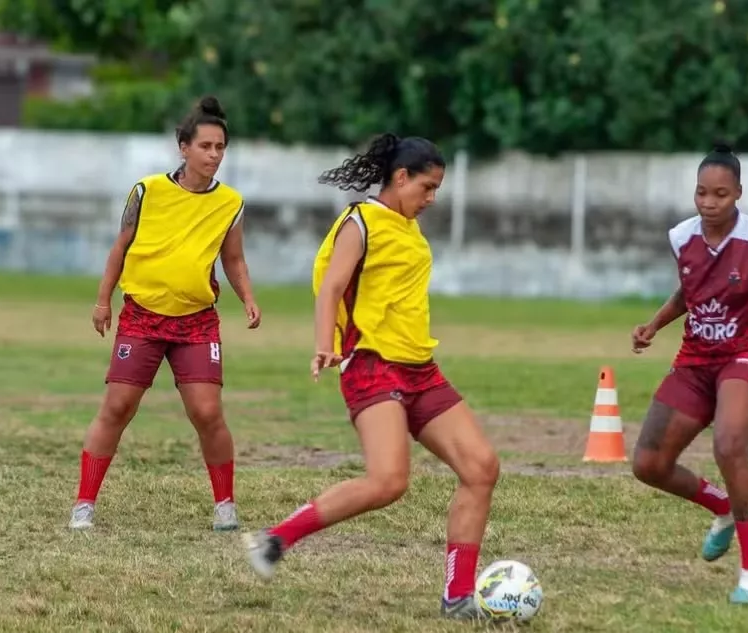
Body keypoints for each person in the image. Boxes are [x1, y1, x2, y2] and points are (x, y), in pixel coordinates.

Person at [243, 133, 500, 621]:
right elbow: (331, 287)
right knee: (388, 481)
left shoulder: (409, 229)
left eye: (437, 189)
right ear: (401, 177)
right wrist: (324, 343)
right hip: (371, 365)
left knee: (482, 467)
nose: (431, 199)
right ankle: (276, 538)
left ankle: (458, 596)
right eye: (427, 187)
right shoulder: (361, 221)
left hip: (419, 368)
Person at [630, 142, 748, 604]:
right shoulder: (682, 237)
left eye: (720, 194)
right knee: (649, 464)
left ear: (738, 193)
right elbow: (690, 290)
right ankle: (723, 506)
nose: (709, 202)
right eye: (702, 192)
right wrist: (654, 324)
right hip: (696, 359)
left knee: (729, 445)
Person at [68, 96, 261, 532]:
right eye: (205, 146)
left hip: (196, 321)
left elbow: (233, 259)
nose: (214, 155)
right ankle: (84, 503)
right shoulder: (147, 191)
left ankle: (225, 505)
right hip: (143, 317)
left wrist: (248, 297)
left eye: (220, 147)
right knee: (118, 407)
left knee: (207, 413)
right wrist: (103, 300)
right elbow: (120, 247)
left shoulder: (230, 203)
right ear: (184, 147)